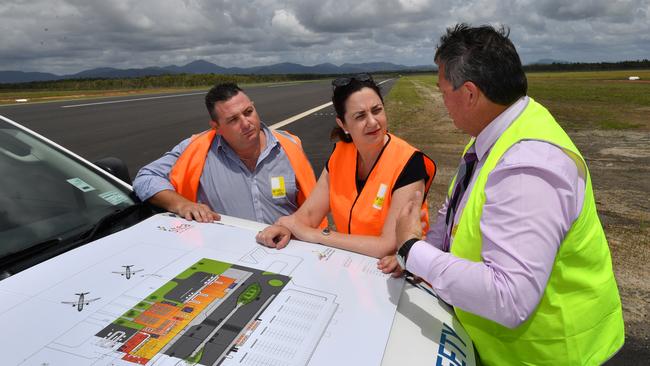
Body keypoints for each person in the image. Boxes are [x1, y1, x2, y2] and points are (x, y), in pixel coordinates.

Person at [392, 24, 624, 365]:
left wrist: (411, 249)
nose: (444, 103)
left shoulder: (527, 166)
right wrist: (419, 258)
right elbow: (457, 217)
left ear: (469, 94)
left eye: (443, 92)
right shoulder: (495, 135)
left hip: (561, 355)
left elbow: (509, 297)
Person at [256, 74, 436, 264]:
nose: (373, 122)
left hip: (398, 273)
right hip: (351, 267)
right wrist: (287, 228)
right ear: (343, 125)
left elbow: (388, 244)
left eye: (377, 110)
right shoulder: (340, 155)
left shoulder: (409, 162)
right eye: (360, 116)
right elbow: (308, 215)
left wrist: (317, 235)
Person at [133, 82, 320, 224]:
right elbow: (145, 178)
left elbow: (313, 203)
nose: (246, 123)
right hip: (228, 255)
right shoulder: (195, 149)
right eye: (233, 120)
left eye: (248, 112)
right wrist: (182, 205)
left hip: (289, 251)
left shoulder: (290, 145)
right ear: (216, 127)